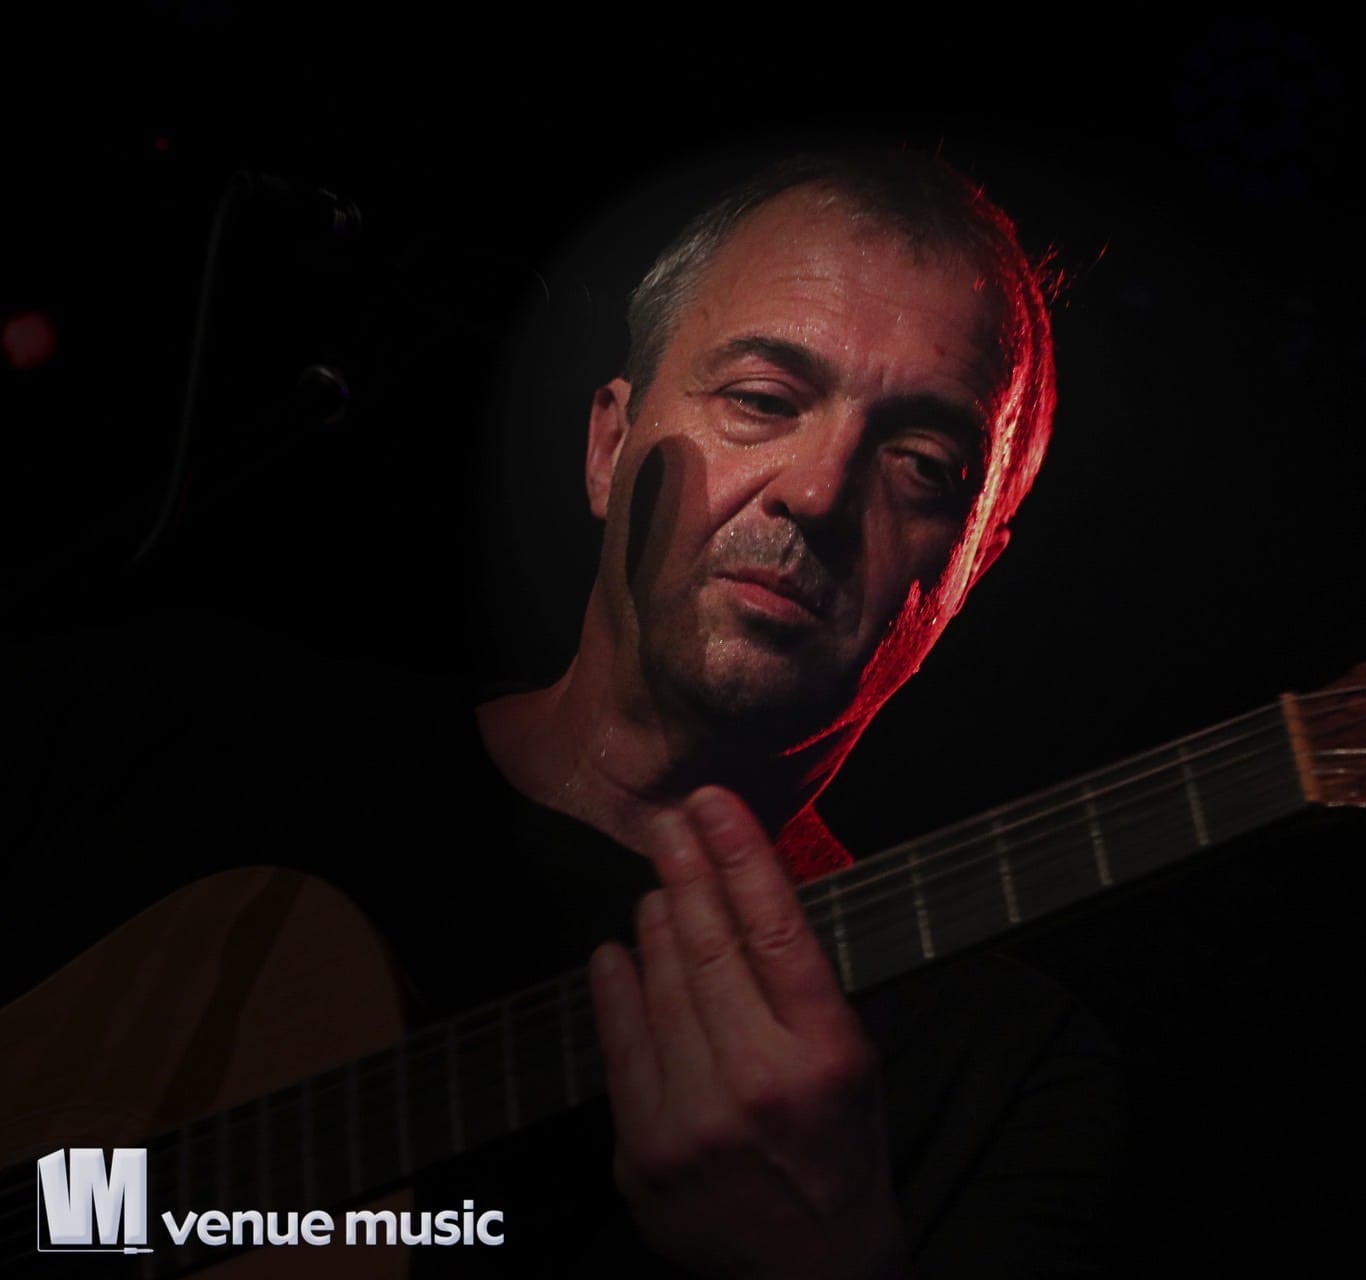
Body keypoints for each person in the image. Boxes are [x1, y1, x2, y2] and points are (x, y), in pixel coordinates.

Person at [0, 149, 1121, 1277]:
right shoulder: (151, 723)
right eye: (763, 400)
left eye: (923, 464)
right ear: (607, 445)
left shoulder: (1004, 1073)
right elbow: (95, 1213)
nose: (819, 490)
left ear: (970, 567)